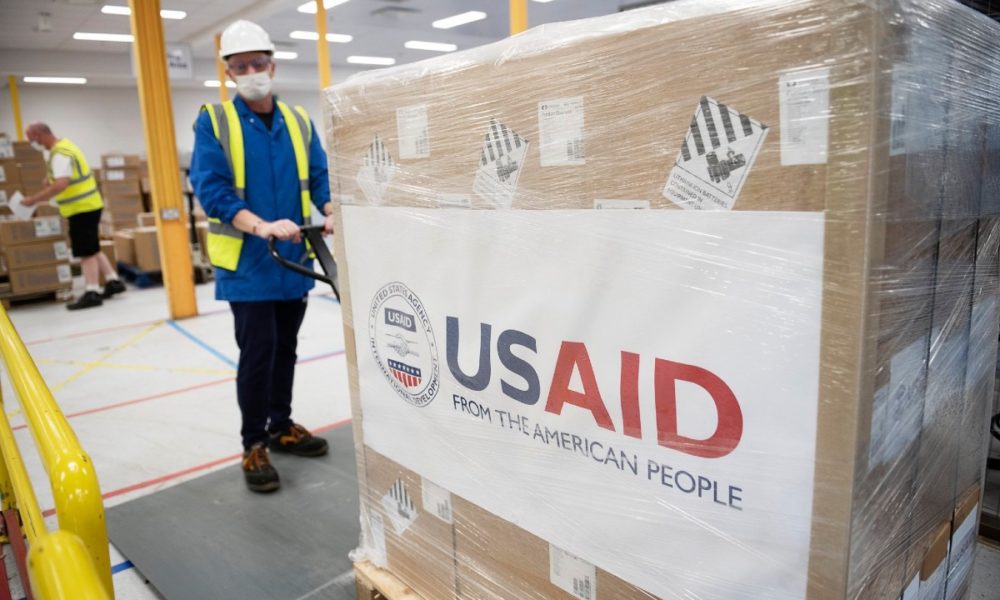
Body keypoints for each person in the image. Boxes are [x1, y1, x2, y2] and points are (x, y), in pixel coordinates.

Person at [190, 19, 335, 493]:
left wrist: (331, 209)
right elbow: (212, 190)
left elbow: (319, 175)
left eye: (258, 63)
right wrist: (262, 226)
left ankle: (280, 425)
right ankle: (254, 443)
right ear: (228, 72)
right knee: (258, 353)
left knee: (286, 348)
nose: (251, 72)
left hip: (292, 262)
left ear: (272, 65)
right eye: (241, 66)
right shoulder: (214, 121)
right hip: (249, 264)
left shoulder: (298, 120)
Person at [22, 123, 126, 310]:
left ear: (39, 135)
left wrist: (34, 200)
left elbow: (62, 184)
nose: (32, 144)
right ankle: (113, 281)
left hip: (81, 208)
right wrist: (49, 180)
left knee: (85, 252)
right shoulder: (65, 146)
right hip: (89, 205)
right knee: (92, 247)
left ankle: (92, 292)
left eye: (32, 139)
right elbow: (63, 177)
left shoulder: (60, 154)